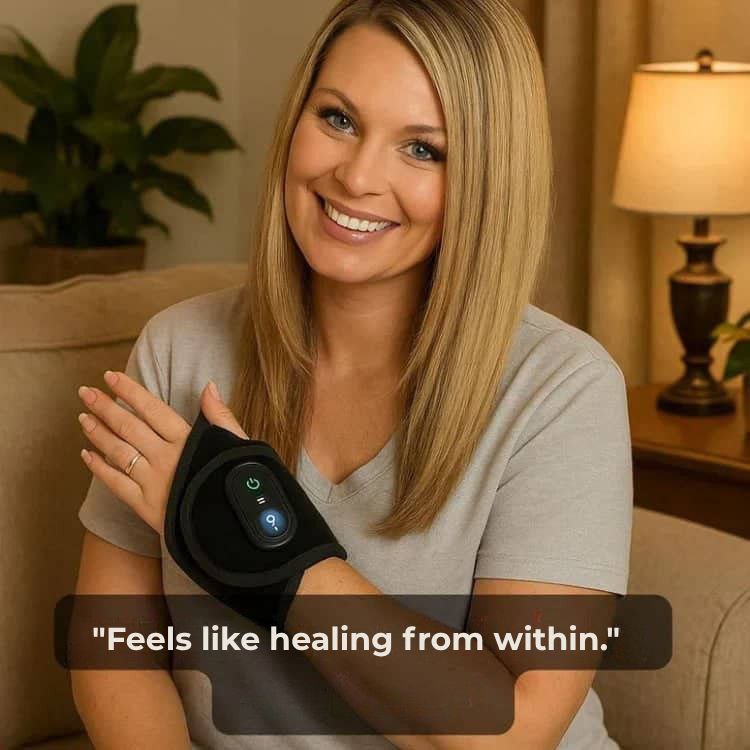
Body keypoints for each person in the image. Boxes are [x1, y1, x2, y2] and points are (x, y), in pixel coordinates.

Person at [72, 0, 632, 748]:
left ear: (487, 180)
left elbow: (511, 731)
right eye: (338, 119)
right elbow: (114, 655)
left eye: (423, 149)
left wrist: (275, 560)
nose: (357, 176)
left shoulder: (561, 389)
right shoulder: (181, 349)